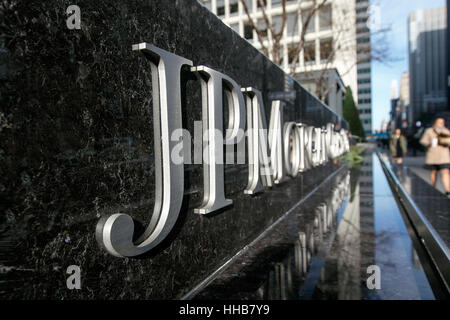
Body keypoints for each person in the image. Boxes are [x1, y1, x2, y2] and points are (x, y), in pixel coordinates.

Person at [419, 117, 450, 196]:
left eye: (442, 122)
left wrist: (444, 142)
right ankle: (433, 187)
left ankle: (447, 190)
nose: (441, 124)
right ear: (435, 123)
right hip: (433, 155)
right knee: (433, 172)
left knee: (445, 172)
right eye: (439, 122)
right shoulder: (429, 131)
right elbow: (423, 141)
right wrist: (429, 143)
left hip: (444, 155)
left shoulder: (446, 131)